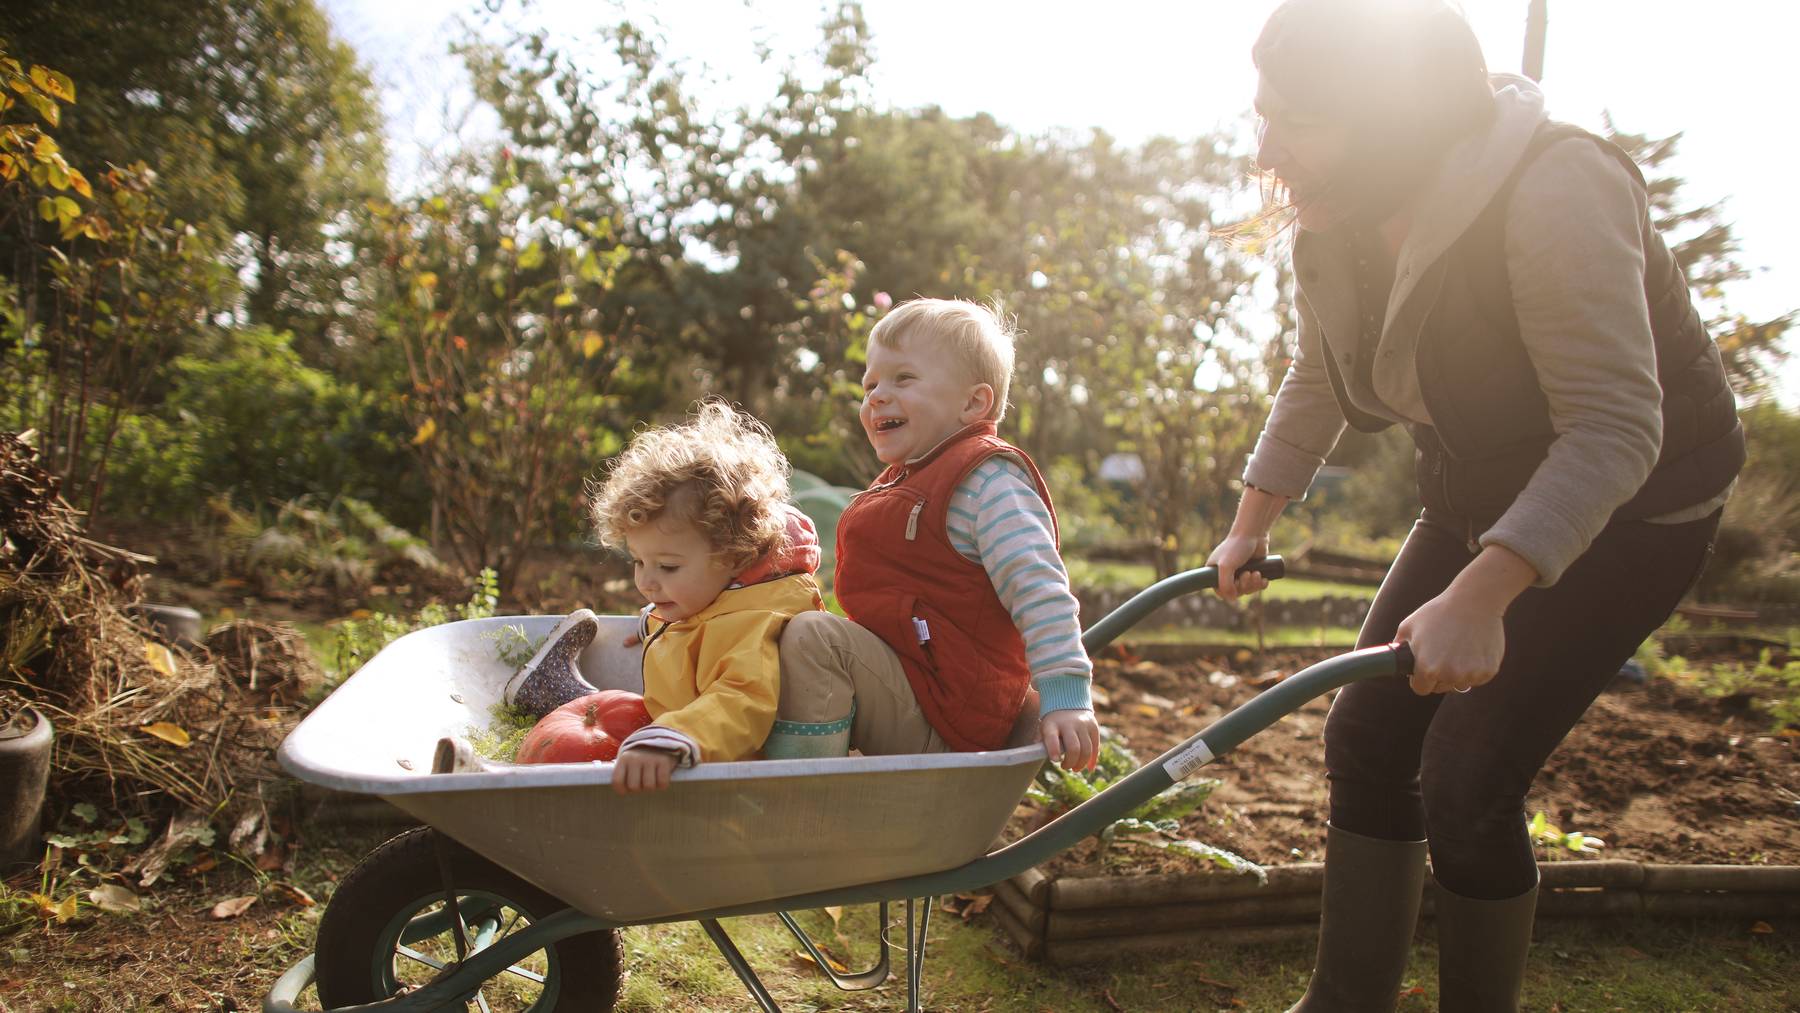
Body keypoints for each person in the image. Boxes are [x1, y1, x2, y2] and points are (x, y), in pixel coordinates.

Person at [1205, 1, 1743, 1009]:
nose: (1265, 147)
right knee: (1367, 737)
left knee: (1467, 777)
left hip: (1637, 507)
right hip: (1477, 483)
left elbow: (1619, 427)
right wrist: (1252, 520)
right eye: (1262, 113)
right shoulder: (1344, 210)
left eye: (1296, 120)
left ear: (1390, 117)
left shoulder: (1555, 187)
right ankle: (1347, 997)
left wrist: (1485, 593)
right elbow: (1317, 375)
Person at [768, 298, 1102, 771]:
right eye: (870, 384)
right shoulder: (910, 478)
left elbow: (1038, 586)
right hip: (918, 691)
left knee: (815, 639)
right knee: (782, 628)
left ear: (973, 402)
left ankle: (801, 803)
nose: (877, 396)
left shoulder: (988, 483)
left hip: (950, 719)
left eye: (903, 379)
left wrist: (1066, 693)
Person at [508, 400, 825, 793]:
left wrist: (672, 739)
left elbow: (740, 700)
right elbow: (703, 623)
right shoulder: (712, 597)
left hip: (710, 763)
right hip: (676, 728)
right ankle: (555, 693)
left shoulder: (751, 626)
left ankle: (554, 696)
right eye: (639, 562)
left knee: (617, 731)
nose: (647, 582)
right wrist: (655, 623)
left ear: (733, 556)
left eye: (668, 567)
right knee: (615, 715)